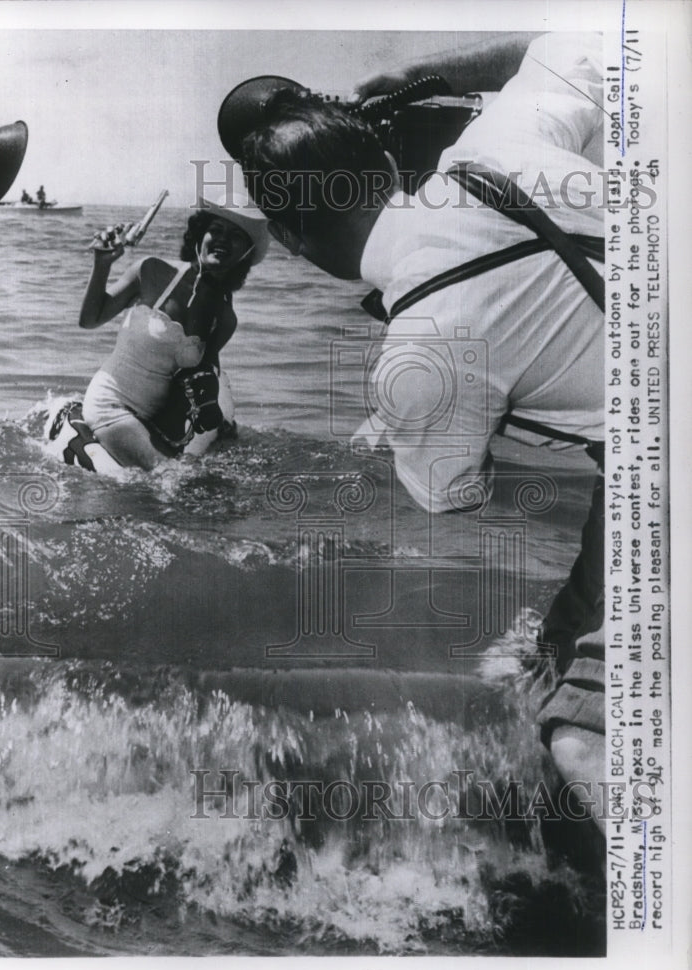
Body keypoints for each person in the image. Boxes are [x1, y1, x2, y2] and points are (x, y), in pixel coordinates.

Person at [233, 34, 607, 829]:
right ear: (386, 164)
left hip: (655, 478)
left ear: (292, 243)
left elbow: (454, 497)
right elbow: (581, 35)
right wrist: (413, 77)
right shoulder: (498, 141)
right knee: (544, 659)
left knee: (584, 742)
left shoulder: (417, 351)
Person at [78, 196, 268, 470]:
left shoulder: (225, 318)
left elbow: (199, 380)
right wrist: (102, 263)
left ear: (246, 253)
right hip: (112, 403)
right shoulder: (153, 271)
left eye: (236, 236)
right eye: (216, 229)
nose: (223, 240)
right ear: (200, 234)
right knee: (173, 482)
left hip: (155, 418)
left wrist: (222, 426)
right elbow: (90, 319)